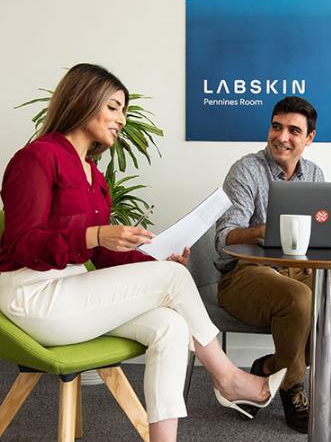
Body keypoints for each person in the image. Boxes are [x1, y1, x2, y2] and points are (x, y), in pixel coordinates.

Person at [0, 63, 286, 442]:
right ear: (85, 100)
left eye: (124, 110)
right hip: (33, 297)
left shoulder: (94, 175)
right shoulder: (37, 158)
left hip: (73, 292)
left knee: (171, 325)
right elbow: (22, 244)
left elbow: (105, 259)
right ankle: (229, 378)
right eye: (114, 107)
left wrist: (155, 263)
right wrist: (94, 235)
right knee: (172, 283)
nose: (121, 119)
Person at [214, 96, 331, 433]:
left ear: (309, 138)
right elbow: (223, 238)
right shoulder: (246, 170)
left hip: (299, 271)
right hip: (245, 272)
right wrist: (264, 231)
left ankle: (270, 367)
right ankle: (293, 386)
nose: (282, 137)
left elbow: (318, 234)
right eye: (276, 127)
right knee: (299, 299)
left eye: (294, 130)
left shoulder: (314, 174)